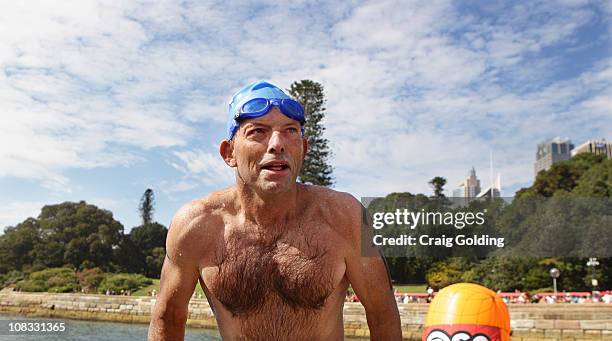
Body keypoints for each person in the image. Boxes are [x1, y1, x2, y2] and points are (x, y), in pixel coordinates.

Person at [148, 81, 402, 340]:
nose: (277, 144)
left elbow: (383, 316)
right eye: (258, 131)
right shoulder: (196, 225)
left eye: (290, 131)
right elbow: (169, 318)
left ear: (303, 149)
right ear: (229, 153)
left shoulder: (347, 217)